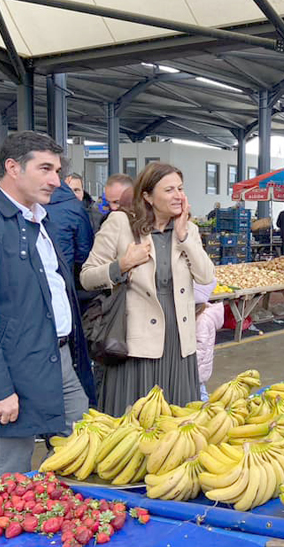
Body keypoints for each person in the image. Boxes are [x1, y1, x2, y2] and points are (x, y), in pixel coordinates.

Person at [0, 131, 95, 482]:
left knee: (84, 452)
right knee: (11, 474)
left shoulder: (40, 221)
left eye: (57, 170)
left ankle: (65, 528)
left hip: (60, 361)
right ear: (13, 167)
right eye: (45, 169)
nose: (55, 181)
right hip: (13, 369)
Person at [80, 162, 215, 415]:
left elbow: (206, 276)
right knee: (135, 421)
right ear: (147, 196)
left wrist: (185, 238)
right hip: (136, 343)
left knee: (176, 423)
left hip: (178, 342)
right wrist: (122, 265)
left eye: (180, 188)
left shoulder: (189, 230)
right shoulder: (121, 224)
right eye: (169, 190)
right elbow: (87, 277)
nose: (178, 196)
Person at [45, 167, 94, 274]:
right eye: (71, 190)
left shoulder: (34, 200)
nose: (74, 195)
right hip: (66, 274)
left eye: (77, 190)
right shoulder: (76, 209)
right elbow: (84, 250)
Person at [194, 281, 224, 402]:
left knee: (200, 393)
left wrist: (189, 367)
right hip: (200, 367)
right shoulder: (200, 317)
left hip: (198, 369)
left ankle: (206, 408)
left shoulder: (202, 321)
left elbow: (200, 349)